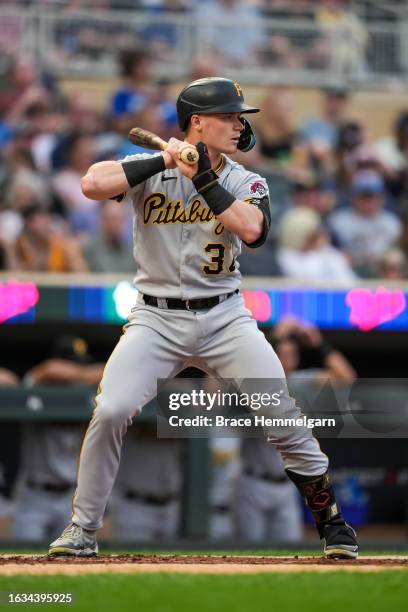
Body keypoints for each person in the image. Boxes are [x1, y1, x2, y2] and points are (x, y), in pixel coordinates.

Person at [49, 77, 358, 559]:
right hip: (155, 318)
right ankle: (83, 529)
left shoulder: (243, 179)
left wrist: (202, 176)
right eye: (229, 117)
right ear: (198, 122)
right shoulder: (150, 168)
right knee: (110, 410)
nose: (239, 125)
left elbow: (253, 230)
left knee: (281, 414)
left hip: (224, 317)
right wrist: (167, 159)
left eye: (240, 118)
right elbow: (92, 184)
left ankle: (333, 524)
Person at [12, 336, 104, 542]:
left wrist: (80, 379)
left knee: (71, 560)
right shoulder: (36, 386)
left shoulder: (87, 397)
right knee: (24, 557)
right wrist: (81, 376)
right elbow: (49, 370)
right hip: (34, 494)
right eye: (70, 366)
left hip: (70, 495)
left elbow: (111, 372)